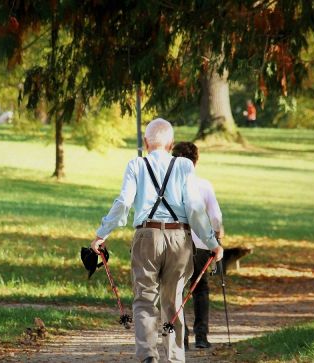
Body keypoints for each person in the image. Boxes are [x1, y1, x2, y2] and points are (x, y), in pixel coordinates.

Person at [91, 118, 224, 363]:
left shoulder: (135, 165)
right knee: (173, 301)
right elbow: (194, 208)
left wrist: (102, 234)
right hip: (178, 238)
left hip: (146, 236)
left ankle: (148, 356)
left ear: (145, 142)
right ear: (171, 143)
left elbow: (123, 203)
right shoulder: (184, 166)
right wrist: (212, 242)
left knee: (144, 299)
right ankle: (174, 358)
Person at [172, 141, 224, 350]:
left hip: (177, 243)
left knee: (177, 289)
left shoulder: (170, 186)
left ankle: (181, 338)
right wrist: (217, 237)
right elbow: (215, 216)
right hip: (202, 244)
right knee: (200, 289)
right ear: (196, 161)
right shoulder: (203, 185)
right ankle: (201, 336)